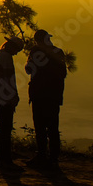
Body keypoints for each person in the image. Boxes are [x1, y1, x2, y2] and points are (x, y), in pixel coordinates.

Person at [24, 29, 67, 168]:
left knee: (40, 127)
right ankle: (53, 158)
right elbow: (63, 73)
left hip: (39, 95)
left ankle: (41, 156)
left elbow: (28, 69)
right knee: (53, 128)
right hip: (53, 96)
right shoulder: (58, 52)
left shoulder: (36, 53)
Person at [0, 36, 25, 170]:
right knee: (6, 127)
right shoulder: (6, 58)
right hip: (4, 98)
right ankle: (5, 160)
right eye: (17, 50)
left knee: (3, 127)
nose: (17, 53)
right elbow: (9, 80)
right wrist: (14, 96)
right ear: (12, 47)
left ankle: (2, 159)